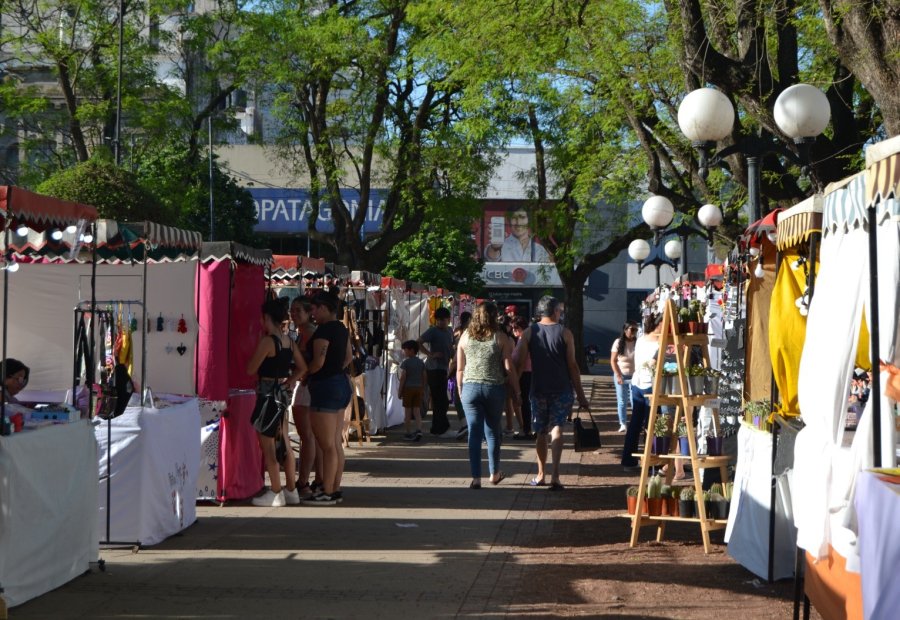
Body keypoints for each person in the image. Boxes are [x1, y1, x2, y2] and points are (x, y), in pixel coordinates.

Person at [514, 295, 590, 490]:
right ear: (555, 311)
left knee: (540, 431)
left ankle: (541, 474)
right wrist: (581, 395)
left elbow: (520, 362)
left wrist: (515, 389)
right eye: (560, 310)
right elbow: (573, 365)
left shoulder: (529, 333)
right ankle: (556, 474)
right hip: (562, 388)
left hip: (538, 388)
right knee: (558, 427)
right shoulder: (566, 333)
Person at [246, 299, 306, 507]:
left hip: (267, 395)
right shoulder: (289, 341)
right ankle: (291, 490)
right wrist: (290, 381)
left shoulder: (268, 341)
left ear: (266, 318)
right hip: (282, 394)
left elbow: (251, 369)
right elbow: (302, 367)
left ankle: (275, 491)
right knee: (285, 442)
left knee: (268, 445)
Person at [455, 302, 518, 488]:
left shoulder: (465, 337)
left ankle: (476, 478)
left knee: (474, 433)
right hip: (494, 388)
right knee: (492, 432)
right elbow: (508, 367)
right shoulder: (500, 337)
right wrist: (517, 390)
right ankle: (494, 473)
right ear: (494, 316)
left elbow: (459, 368)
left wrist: (460, 390)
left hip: (470, 388)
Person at [304, 291, 353, 505]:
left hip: (325, 386)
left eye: (314, 308)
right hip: (340, 383)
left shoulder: (324, 330)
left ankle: (328, 491)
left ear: (324, 307)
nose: (312, 313)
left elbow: (318, 362)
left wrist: (306, 375)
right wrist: (336, 371)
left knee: (327, 445)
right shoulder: (341, 328)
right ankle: (334, 488)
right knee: (334, 442)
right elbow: (349, 357)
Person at [289, 296, 322, 499]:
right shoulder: (303, 333)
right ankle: (315, 480)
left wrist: (298, 377)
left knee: (307, 436)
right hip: (308, 386)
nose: (293, 314)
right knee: (312, 438)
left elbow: (312, 363)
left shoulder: (308, 334)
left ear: (309, 312)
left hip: (307, 386)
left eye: (298, 310)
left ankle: (303, 482)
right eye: (292, 310)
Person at [621, 314, 662, 471]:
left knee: (636, 424)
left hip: (637, 383)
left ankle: (628, 461)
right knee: (653, 424)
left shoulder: (642, 339)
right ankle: (651, 462)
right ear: (661, 325)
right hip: (649, 384)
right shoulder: (658, 342)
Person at [418, 306, 454, 435]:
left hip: (444, 368)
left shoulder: (450, 331)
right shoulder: (432, 331)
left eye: (443, 320)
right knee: (439, 399)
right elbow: (419, 342)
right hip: (433, 369)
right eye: (438, 320)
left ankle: (439, 426)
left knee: (442, 400)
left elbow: (451, 347)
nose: (440, 322)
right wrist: (430, 354)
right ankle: (440, 427)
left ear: (448, 320)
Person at [484, 208, 551, 262]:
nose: (518, 222)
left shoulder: (539, 249)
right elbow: (490, 259)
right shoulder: (498, 245)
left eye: (522, 217)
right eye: (514, 218)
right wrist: (495, 249)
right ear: (509, 221)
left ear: (529, 220)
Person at [448, 311, 472, 439]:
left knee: (459, 397)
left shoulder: (458, 333)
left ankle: (465, 424)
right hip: (470, 368)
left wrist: (450, 369)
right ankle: (467, 424)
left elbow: (456, 356)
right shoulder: (474, 333)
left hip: (460, 367)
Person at [611, 321, 638, 433]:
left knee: (634, 400)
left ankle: (635, 423)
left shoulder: (638, 342)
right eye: (632, 329)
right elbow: (613, 361)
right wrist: (618, 375)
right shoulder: (618, 342)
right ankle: (622, 423)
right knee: (622, 400)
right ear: (625, 330)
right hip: (621, 373)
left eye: (636, 330)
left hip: (635, 375)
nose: (634, 332)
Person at [398, 340, 426, 441]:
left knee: (408, 412)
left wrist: (400, 391)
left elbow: (403, 378)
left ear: (411, 350)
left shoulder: (406, 363)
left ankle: (408, 432)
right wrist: (423, 388)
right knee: (417, 411)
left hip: (408, 389)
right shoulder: (421, 362)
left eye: (405, 350)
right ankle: (419, 430)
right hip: (418, 388)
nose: (404, 352)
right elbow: (424, 376)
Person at [511, 316, 533, 439]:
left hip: (525, 374)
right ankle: (526, 428)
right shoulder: (521, 339)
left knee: (524, 403)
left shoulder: (523, 340)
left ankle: (526, 430)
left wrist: (516, 379)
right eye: (512, 327)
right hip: (525, 373)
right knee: (524, 403)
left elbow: (521, 362)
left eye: (516, 328)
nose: (513, 330)